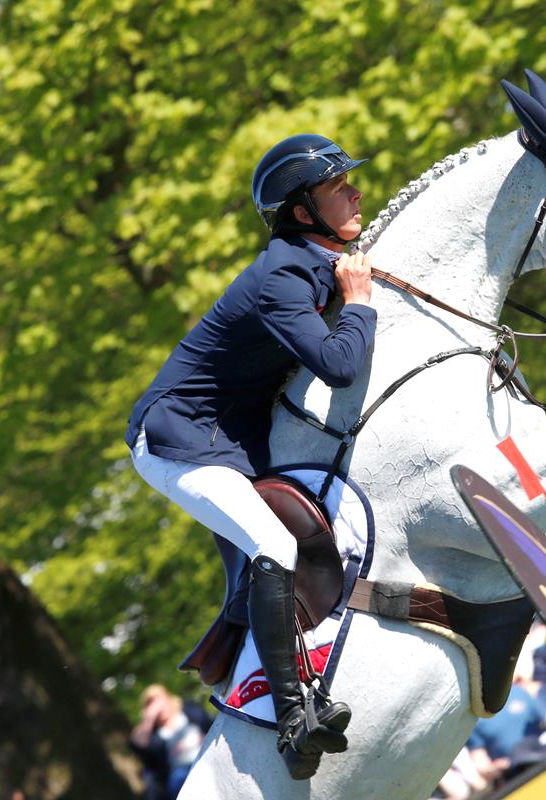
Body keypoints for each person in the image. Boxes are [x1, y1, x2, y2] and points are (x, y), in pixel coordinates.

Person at [124, 135, 377, 779]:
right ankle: (295, 721)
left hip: (233, 440)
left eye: (351, 181)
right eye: (337, 186)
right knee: (275, 545)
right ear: (302, 212)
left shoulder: (316, 262)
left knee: (298, 542)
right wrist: (363, 307)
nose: (356, 192)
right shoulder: (283, 275)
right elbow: (342, 366)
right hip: (180, 438)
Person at [129, 685, 213, 800]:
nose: (158, 708)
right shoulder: (155, 736)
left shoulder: (187, 710)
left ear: (168, 699)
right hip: (183, 773)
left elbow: (210, 723)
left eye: (159, 701)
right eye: (152, 705)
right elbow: (139, 747)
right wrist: (148, 719)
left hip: (208, 754)